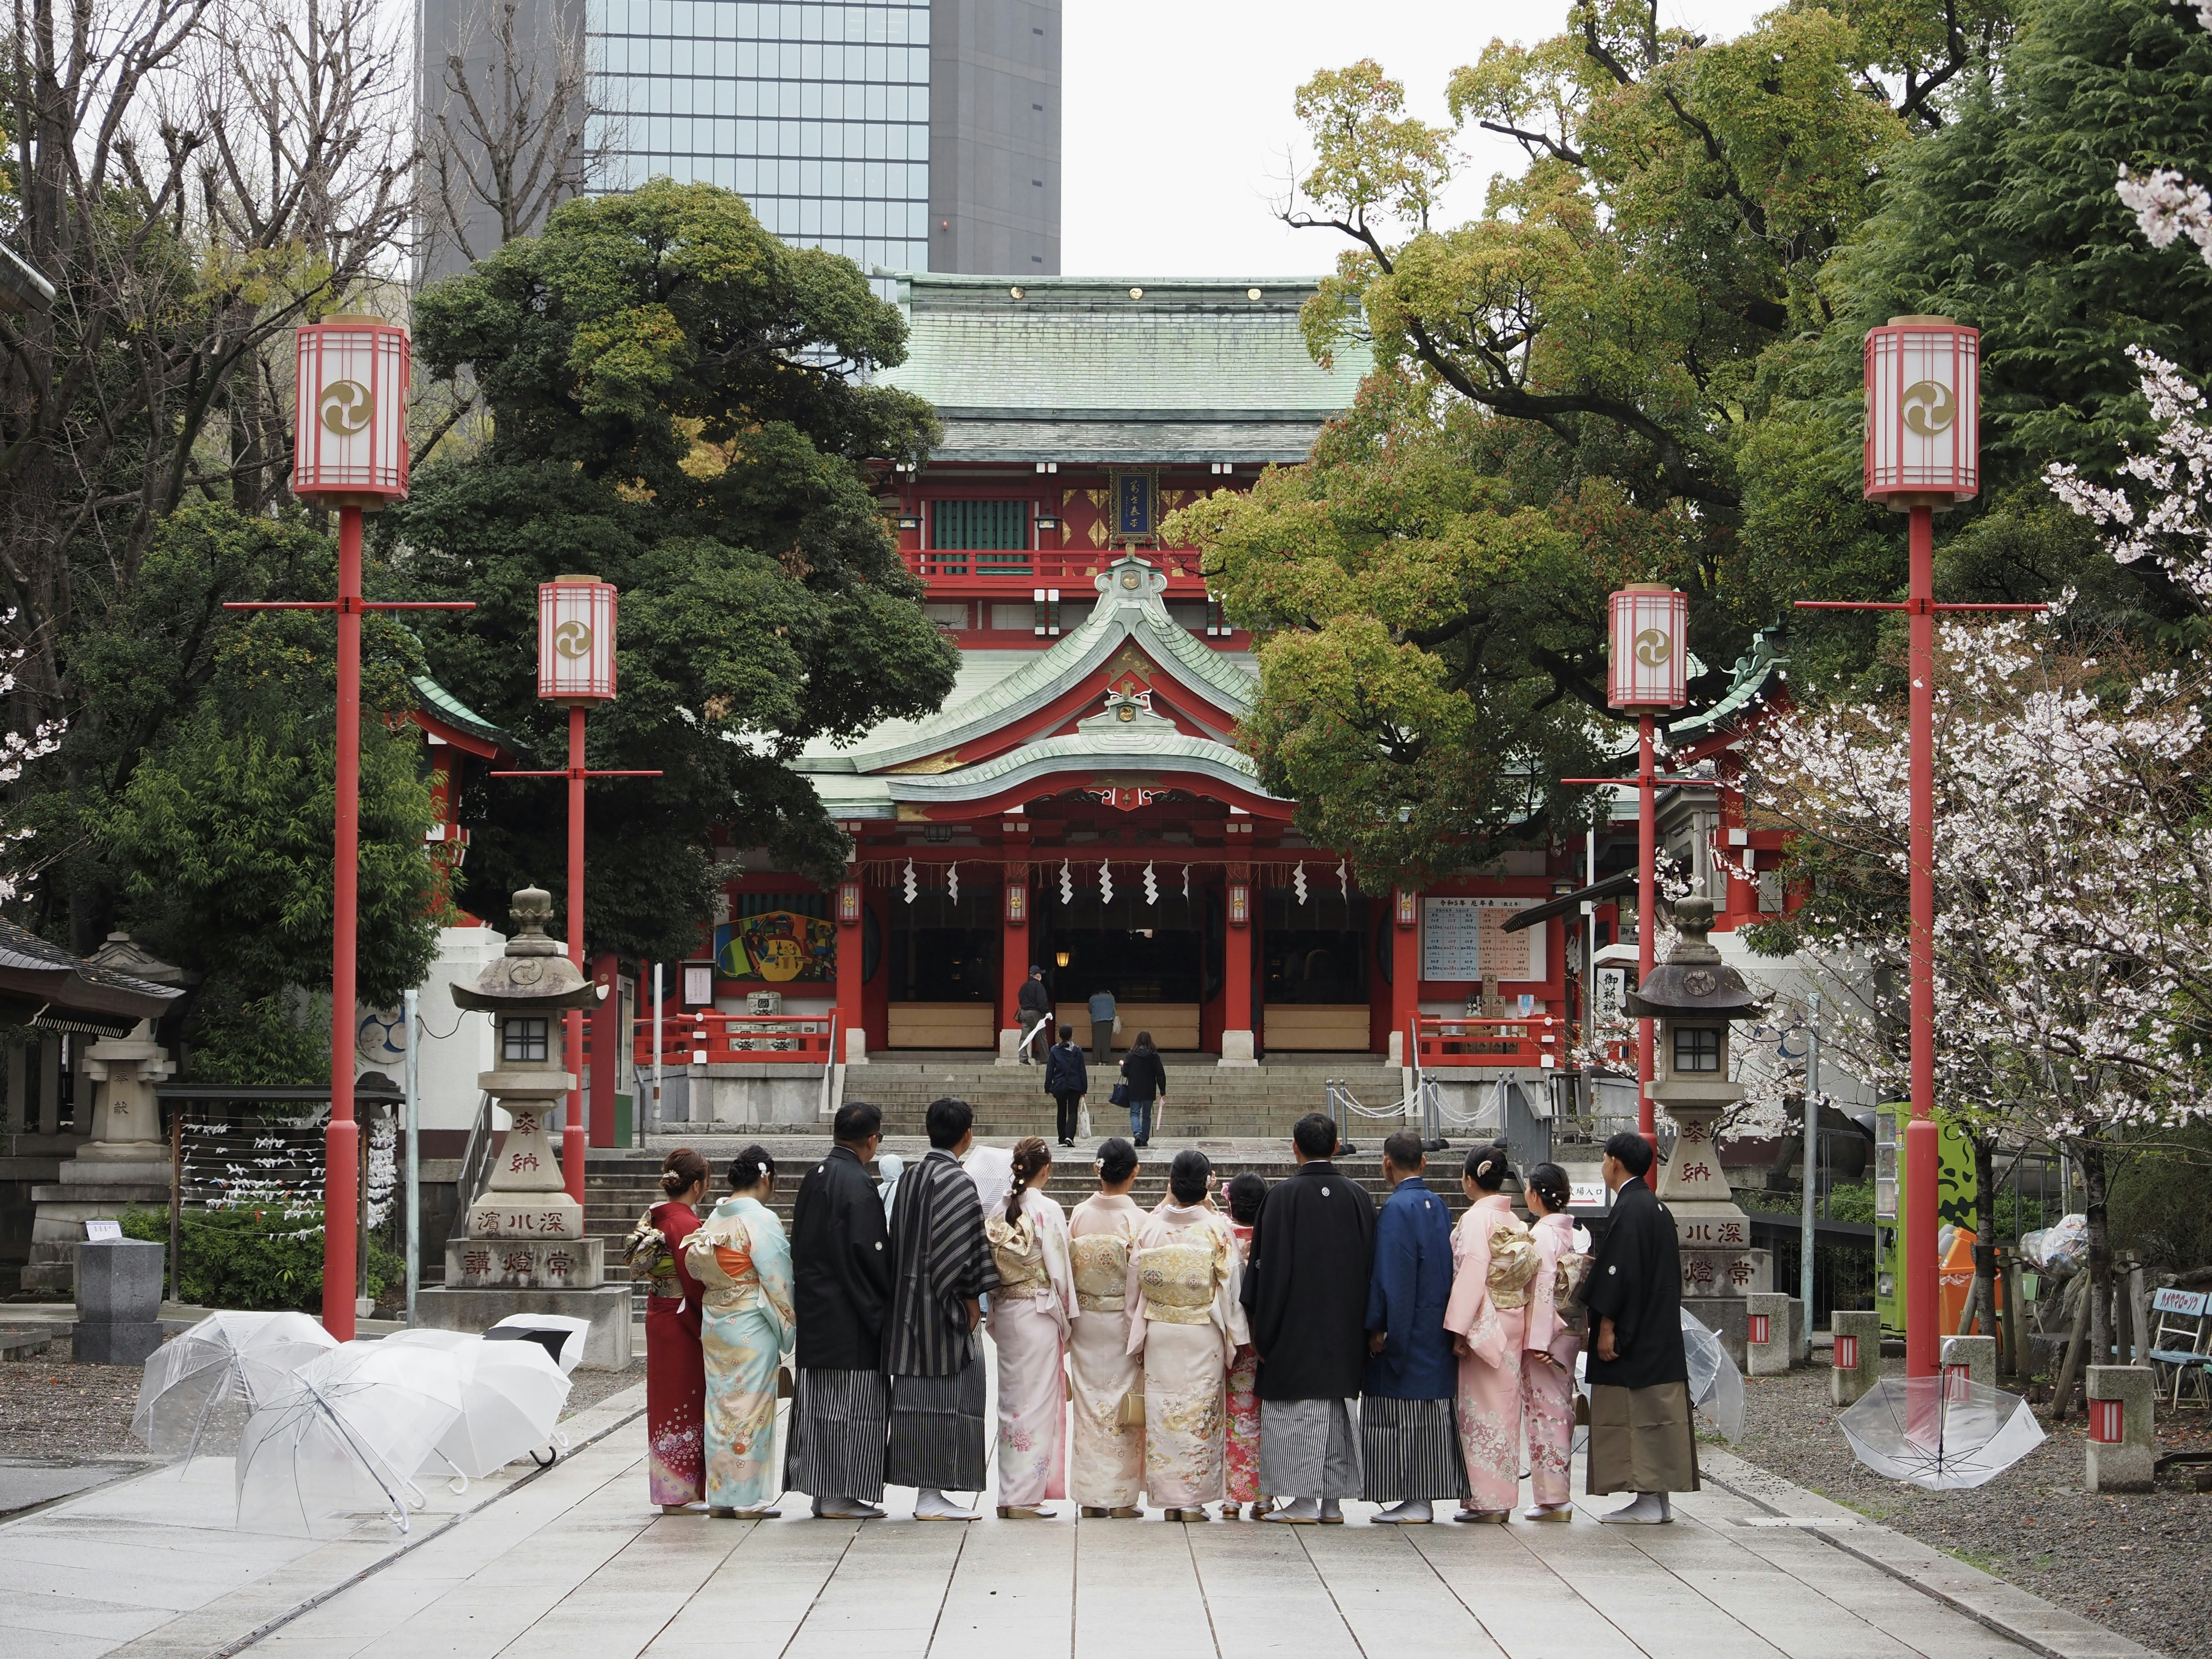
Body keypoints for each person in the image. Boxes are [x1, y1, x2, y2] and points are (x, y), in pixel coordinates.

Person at [1240, 1112, 1376, 1525]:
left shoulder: (1280, 1198)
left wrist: (1264, 1330)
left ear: (1294, 1147)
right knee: (1336, 1413)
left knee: (1298, 1415)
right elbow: (1371, 1265)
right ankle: (1331, 1503)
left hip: (1293, 1329)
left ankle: (1302, 1500)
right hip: (1345, 1328)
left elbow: (1264, 1270)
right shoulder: (1358, 1197)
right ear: (1336, 1147)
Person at [884, 1096, 1002, 1520]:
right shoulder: (957, 1181)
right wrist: (972, 1301)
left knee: (915, 1398)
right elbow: (962, 1252)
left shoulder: (911, 1178)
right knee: (952, 1395)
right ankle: (931, 1495)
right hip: (943, 1310)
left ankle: (926, 1491)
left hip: (908, 1306)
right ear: (967, 1136)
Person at [785, 1101, 894, 1520]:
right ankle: (840, 1494)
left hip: (816, 1310)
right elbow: (868, 1253)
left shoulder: (816, 1176)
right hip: (850, 1316)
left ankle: (822, 1490)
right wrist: (882, 1307)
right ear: (871, 1141)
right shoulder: (857, 1182)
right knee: (854, 1408)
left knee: (822, 1407)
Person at [1583, 1130, 1697, 1524]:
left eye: (1603, 1159)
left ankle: (1649, 1498)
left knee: (1636, 1413)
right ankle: (1656, 1498)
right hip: (1656, 1331)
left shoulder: (1632, 1208)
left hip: (1635, 1337)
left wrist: (1607, 1327)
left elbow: (1621, 1273)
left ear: (1615, 1161)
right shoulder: (1654, 1207)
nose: (1602, 1166)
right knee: (1654, 1413)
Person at [1127, 1150, 1246, 1522]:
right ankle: (1192, 1501)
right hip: (1202, 1331)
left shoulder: (1150, 1227)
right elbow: (1231, 1289)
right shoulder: (1216, 1228)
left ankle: (1169, 1500)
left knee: (1165, 1411)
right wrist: (1237, 1336)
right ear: (1208, 1183)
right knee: (1197, 1410)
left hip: (1161, 1326)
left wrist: (1138, 1325)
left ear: (1171, 1184)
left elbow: (1135, 1287)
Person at [1361, 1130, 1467, 1525]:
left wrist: (1379, 1325)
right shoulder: (1438, 1205)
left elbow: (1391, 1278)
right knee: (1430, 1413)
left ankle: (1415, 1500)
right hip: (1435, 1323)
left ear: (1387, 1163)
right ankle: (1422, 1497)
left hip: (1405, 1324)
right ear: (1424, 1163)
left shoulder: (1395, 1210)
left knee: (1401, 1415)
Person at [685, 1147, 795, 1519]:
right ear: (766, 1178)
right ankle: (746, 1497)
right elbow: (778, 1276)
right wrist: (789, 1320)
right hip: (750, 1320)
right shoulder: (760, 1220)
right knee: (750, 1407)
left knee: (720, 1405)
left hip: (716, 1319)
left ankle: (721, 1497)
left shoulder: (715, 1217)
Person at [1442, 1142, 1540, 1522]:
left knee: (1482, 1411)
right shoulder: (1514, 1221)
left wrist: (1459, 1329)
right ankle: (1499, 1498)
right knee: (1505, 1407)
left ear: (1469, 1180)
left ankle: (1488, 1502)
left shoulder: (1475, 1220)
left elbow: (1471, 1272)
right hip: (1512, 1316)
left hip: (1486, 1323)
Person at [984, 1137, 1075, 1518]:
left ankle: (1012, 1492)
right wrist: (1069, 1319)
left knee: (1011, 1403)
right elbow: (1060, 1268)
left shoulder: (1001, 1209)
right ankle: (1022, 1496)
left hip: (1006, 1309)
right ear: (1046, 1170)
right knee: (1036, 1404)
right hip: (1037, 1312)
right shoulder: (1046, 1209)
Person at [1067, 1137, 1146, 1519]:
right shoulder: (1138, 1220)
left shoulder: (1080, 1214)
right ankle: (1120, 1497)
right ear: (1135, 1173)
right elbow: (1140, 1281)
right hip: (1121, 1321)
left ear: (1098, 1170)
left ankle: (1089, 1497)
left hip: (1085, 1319)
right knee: (1120, 1406)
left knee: (1087, 1405)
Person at [630, 1147, 709, 1511]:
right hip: (681, 1317)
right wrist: (709, 1321)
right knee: (685, 1398)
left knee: (667, 1400)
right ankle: (677, 1490)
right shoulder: (686, 1225)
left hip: (659, 1312)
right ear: (697, 1186)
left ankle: (670, 1488)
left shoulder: (657, 1218)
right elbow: (695, 1282)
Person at [1519, 1161, 1588, 1521]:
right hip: (1569, 1330)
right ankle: (1553, 1494)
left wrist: (1538, 1341)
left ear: (1535, 1195)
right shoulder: (1573, 1232)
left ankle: (1554, 1498)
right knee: (1558, 1409)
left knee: (1545, 1412)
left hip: (1548, 1333)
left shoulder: (1542, 1236)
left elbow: (1543, 1289)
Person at [1222, 1171, 1268, 1518]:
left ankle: (1232, 1497)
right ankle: (1264, 1495)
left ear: (1230, 1201)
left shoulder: (1221, 1236)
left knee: (1234, 1416)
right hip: (1265, 1338)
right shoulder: (1272, 1237)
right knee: (1266, 1416)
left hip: (1228, 1337)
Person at [1119, 1031, 1167, 1147]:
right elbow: (1160, 1074)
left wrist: (1122, 1065)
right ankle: (1144, 1139)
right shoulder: (1154, 1056)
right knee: (1147, 1115)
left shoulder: (1131, 1055)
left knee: (1134, 1113)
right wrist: (1163, 1090)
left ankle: (1137, 1134)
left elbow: (1125, 1073)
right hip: (1149, 1090)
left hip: (1134, 1089)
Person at [1044, 1029, 1088, 1147]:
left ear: (1059, 1035)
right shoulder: (1078, 1050)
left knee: (1061, 1111)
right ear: (1072, 1035)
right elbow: (1082, 1070)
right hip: (1075, 1084)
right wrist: (1084, 1089)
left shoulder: (1055, 1050)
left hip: (1060, 1084)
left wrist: (1047, 1087)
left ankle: (1062, 1139)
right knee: (1073, 1112)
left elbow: (1050, 1070)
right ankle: (1070, 1137)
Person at [1016, 965, 1054, 1063]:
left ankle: (1023, 1058)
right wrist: (1047, 1012)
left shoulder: (1024, 986)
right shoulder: (1038, 986)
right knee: (1041, 1035)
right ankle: (1046, 1059)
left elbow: (1019, 997)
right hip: (1034, 1013)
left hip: (1024, 1012)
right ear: (1038, 975)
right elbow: (1042, 1001)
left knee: (1025, 1035)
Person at [1088, 986, 1118, 1065]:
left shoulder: (1092, 998)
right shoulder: (1111, 997)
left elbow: (1090, 1010)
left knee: (1097, 1041)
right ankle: (1105, 1060)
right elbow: (1115, 1007)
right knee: (1106, 1041)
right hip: (1108, 1020)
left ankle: (1098, 1061)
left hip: (1096, 1021)